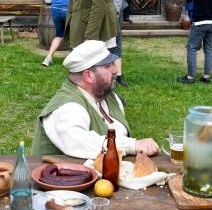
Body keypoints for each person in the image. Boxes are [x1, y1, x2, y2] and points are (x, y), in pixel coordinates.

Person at [32, 40, 160, 159]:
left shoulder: (107, 95)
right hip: (63, 180)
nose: (115, 70)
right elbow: (79, 142)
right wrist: (131, 145)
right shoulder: (67, 107)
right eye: (108, 66)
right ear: (88, 75)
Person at [41, 0, 74, 67]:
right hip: (67, 9)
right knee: (77, 34)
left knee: (59, 35)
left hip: (55, 9)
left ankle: (48, 57)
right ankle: (74, 59)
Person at [110, 0, 129, 86]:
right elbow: (103, 0)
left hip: (115, 21)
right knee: (112, 48)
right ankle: (111, 75)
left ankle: (118, 75)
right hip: (113, 21)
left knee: (116, 48)